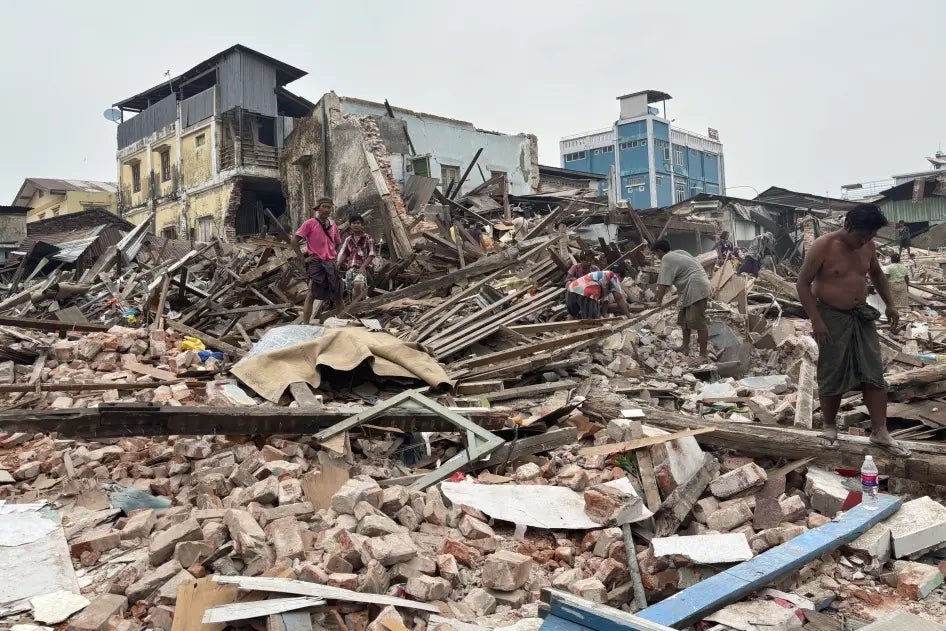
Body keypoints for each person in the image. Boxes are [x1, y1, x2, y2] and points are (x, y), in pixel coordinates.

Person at [795, 203, 909, 457]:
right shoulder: (824, 246)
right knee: (832, 369)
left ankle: (880, 431)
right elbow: (802, 284)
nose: (864, 241)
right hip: (830, 315)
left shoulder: (868, 246)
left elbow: (878, 275)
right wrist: (816, 320)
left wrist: (890, 305)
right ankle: (829, 426)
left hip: (861, 315)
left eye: (869, 236)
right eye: (860, 235)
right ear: (848, 226)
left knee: (873, 371)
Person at [651, 240, 713, 359]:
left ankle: (703, 355)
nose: (656, 257)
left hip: (696, 287)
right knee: (684, 320)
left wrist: (658, 302)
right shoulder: (678, 253)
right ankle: (685, 346)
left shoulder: (667, 258)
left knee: (698, 322)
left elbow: (664, 284)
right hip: (691, 287)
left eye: (655, 254)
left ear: (659, 251)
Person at [289, 198, 342, 322]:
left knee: (338, 294)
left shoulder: (333, 225)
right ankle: (306, 324)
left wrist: (332, 255)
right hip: (316, 264)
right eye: (324, 206)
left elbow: (338, 242)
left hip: (330, 264)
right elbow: (294, 241)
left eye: (329, 207)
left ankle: (342, 322)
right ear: (318, 208)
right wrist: (303, 259)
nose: (326, 209)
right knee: (311, 294)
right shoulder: (310, 223)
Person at [565, 265, 631, 320]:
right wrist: (629, 316)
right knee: (592, 321)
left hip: (572, 289)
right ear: (619, 274)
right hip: (586, 292)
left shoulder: (603, 274)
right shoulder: (613, 276)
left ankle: (567, 333)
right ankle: (590, 334)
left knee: (572, 315)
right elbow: (618, 298)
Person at [337, 214, 376, 302]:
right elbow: (345, 253)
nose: (356, 225)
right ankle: (359, 307)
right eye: (354, 223)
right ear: (350, 225)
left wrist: (363, 266)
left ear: (362, 225)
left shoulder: (368, 238)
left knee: (358, 284)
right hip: (350, 269)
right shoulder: (348, 239)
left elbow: (372, 254)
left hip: (364, 269)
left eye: (358, 223)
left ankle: (359, 304)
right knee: (352, 292)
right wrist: (338, 264)